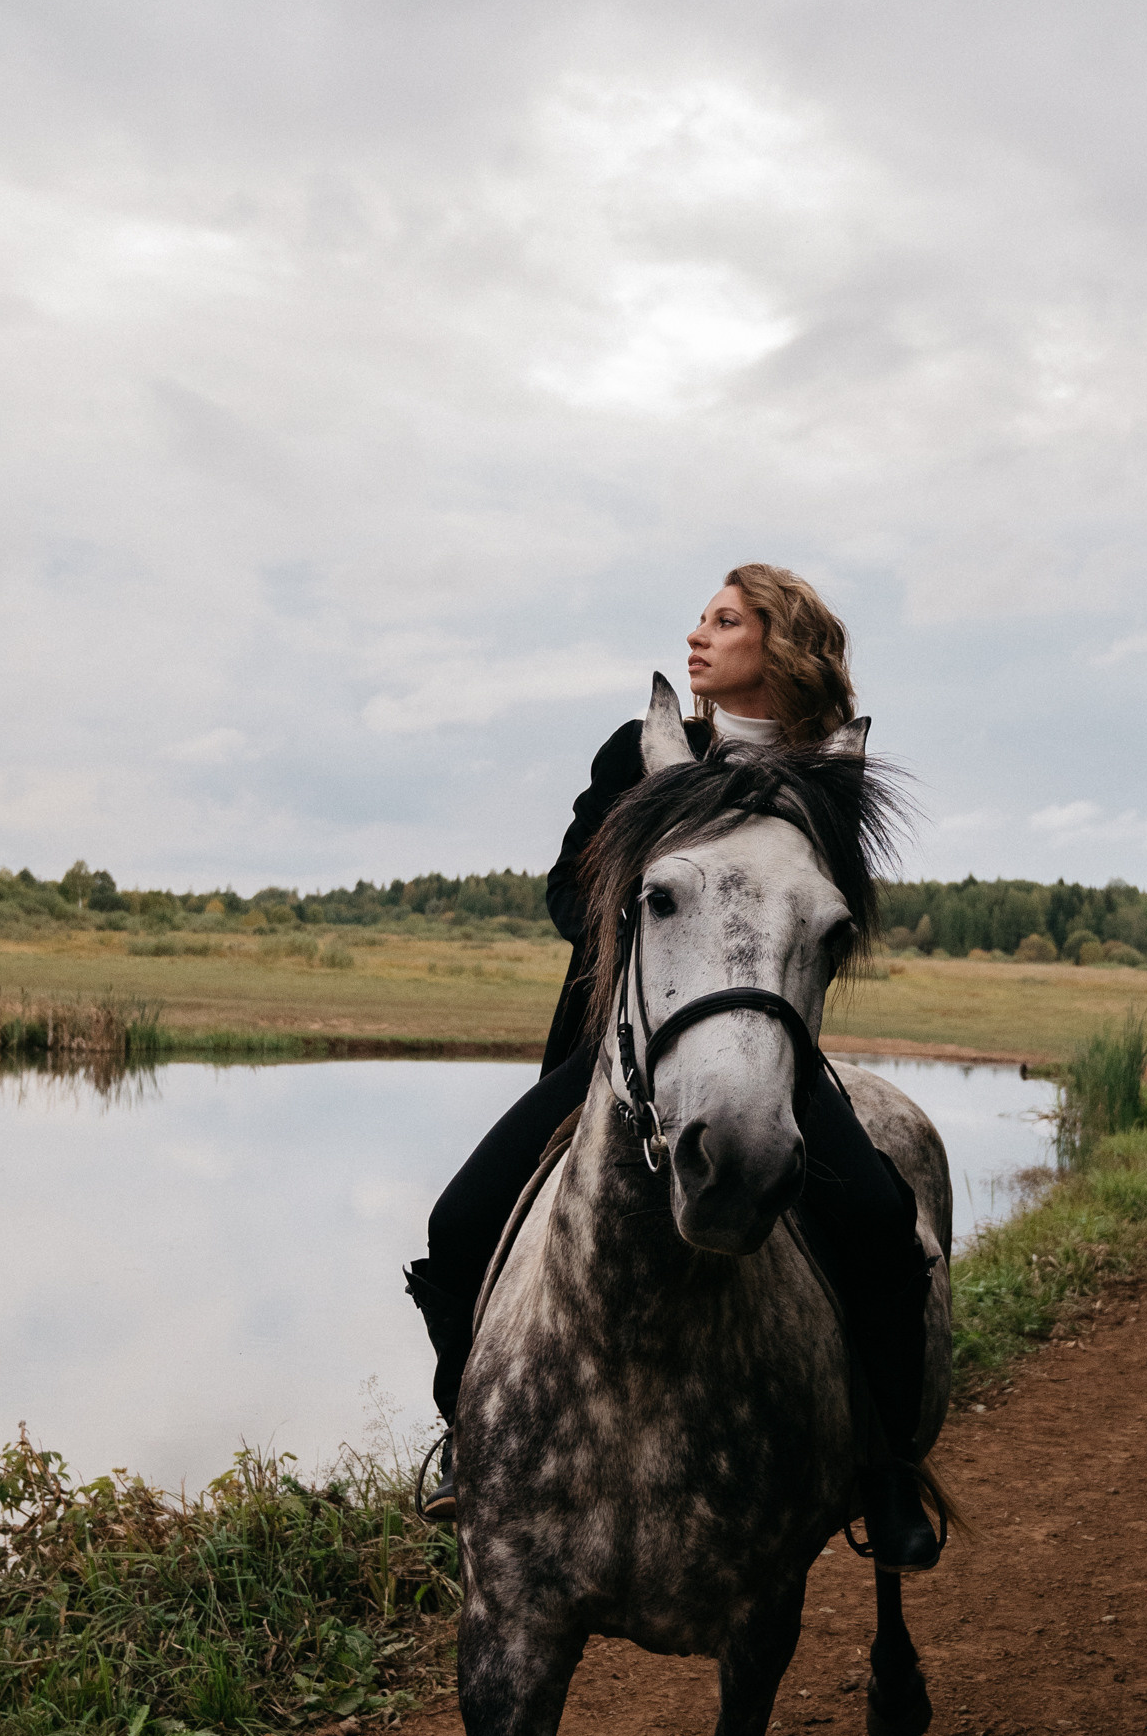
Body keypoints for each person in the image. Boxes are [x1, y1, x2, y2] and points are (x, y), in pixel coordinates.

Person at [404, 562, 944, 1572]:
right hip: (619, 1049)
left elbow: (834, 917)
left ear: (777, 646)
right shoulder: (640, 754)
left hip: (761, 1052)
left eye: (725, 621)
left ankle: (882, 1466)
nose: (697, 637)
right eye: (699, 619)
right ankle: (469, 1437)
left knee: (878, 1226)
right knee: (460, 1219)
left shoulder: (828, 778)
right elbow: (568, 895)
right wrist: (644, 887)